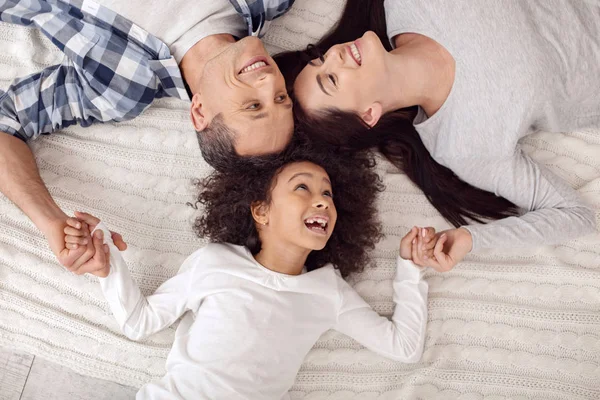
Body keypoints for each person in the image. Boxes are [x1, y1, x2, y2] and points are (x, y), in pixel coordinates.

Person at [62, 141, 443, 399]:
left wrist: (409, 269)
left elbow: (405, 347)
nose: (322, 202)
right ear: (261, 211)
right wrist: (107, 259)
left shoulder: (328, 291)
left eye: (327, 193)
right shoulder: (215, 262)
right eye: (303, 189)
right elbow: (139, 321)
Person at [276, 0, 598, 271]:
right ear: (368, 116)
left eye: (321, 58)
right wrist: (471, 239)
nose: (335, 54)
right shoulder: (461, 145)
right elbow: (575, 215)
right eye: (331, 78)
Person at [0, 0, 295, 273]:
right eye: (281, 98)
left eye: (253, 105)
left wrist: (52, 220)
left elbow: (6, 120)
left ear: (200, 112)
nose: (269, 81)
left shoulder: (122, 84)